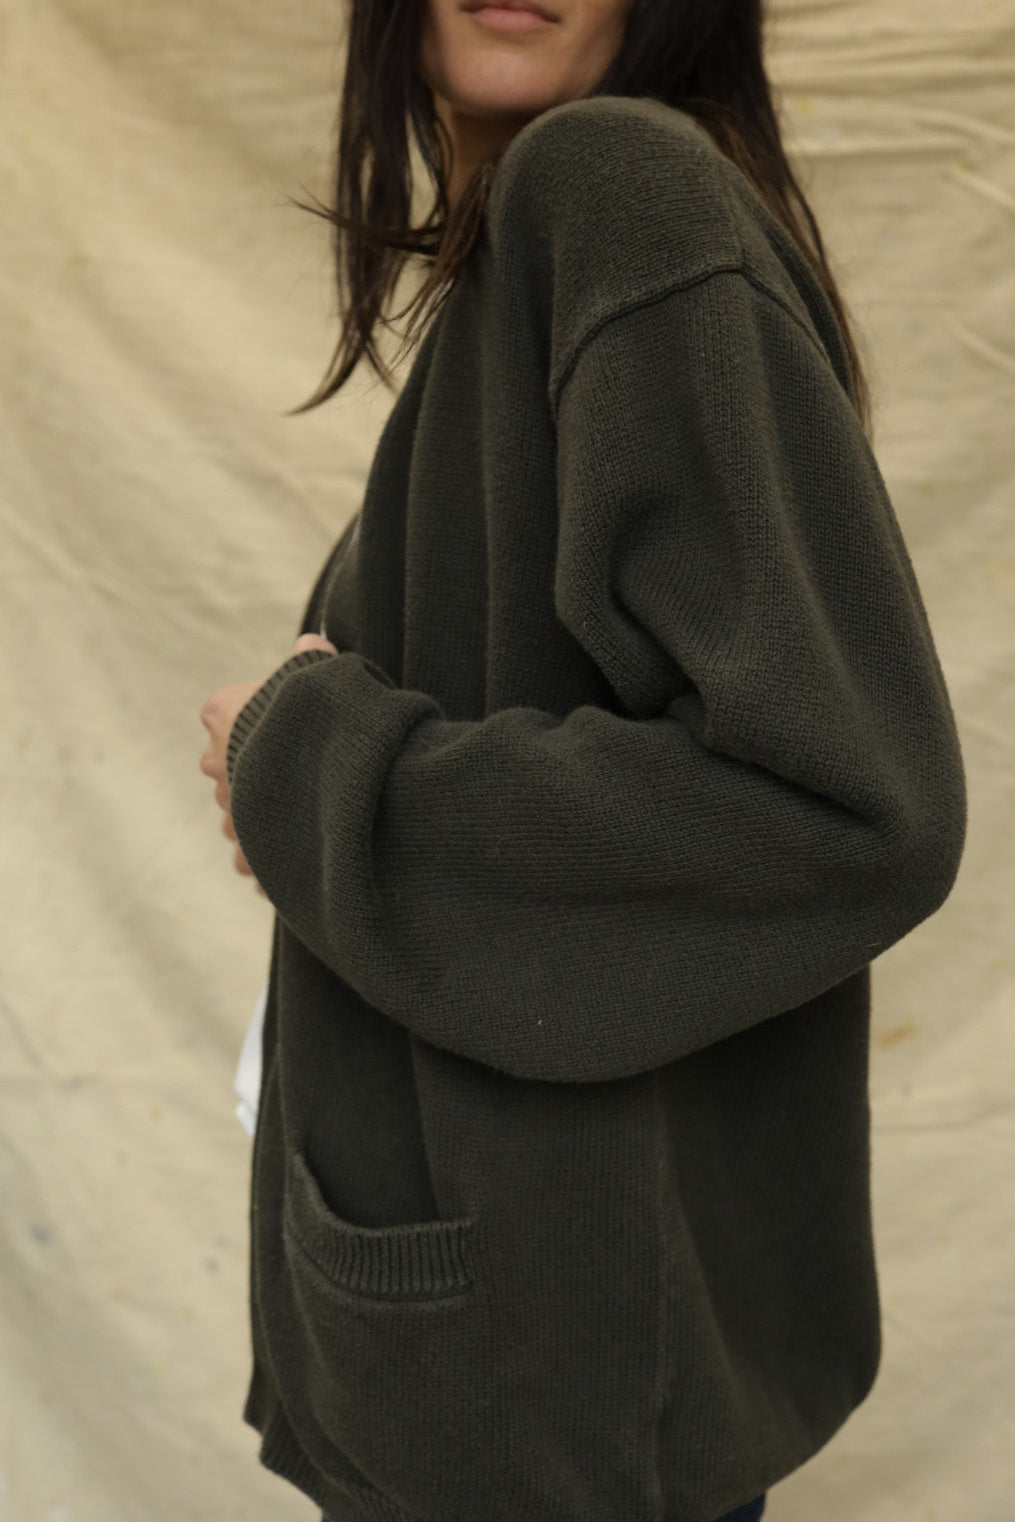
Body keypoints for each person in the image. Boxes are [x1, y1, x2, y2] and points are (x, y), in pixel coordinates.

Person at [198, 1, 967, 1518]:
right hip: (528, 1372)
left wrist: (310, 766)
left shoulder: (614, 187)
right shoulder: (535, 254)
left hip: (545, 1408)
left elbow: (842, 802)